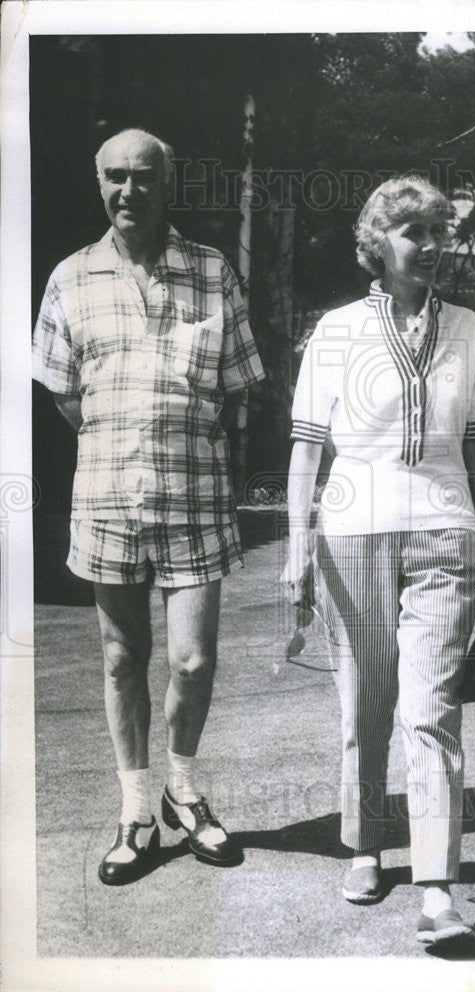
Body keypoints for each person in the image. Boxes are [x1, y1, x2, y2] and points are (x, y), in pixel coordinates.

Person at [283, 176, 475, 946]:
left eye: (438, 231)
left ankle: (437, 886)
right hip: (352, 535)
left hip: (445, 536)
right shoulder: (339, 329)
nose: (430, 245)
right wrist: (295, 549)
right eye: (413, 231)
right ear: (377, 244)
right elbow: (306, 450)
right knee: (366, 704)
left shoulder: (468, 326)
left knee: (432, 711)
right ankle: (363, 843)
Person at [32, 129, 265, 885]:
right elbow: (67, 394)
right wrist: (122, 437)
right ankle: (137, 810)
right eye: (115, 178)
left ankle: (183, 789)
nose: (128, 191)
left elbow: (238, 383)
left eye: (144, 178)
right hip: (106, 493)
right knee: (123, 656)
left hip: (195, 491)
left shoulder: (211, 270)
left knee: (193, 659)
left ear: (169, 185)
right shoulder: (71, 277)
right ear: (98, 183)